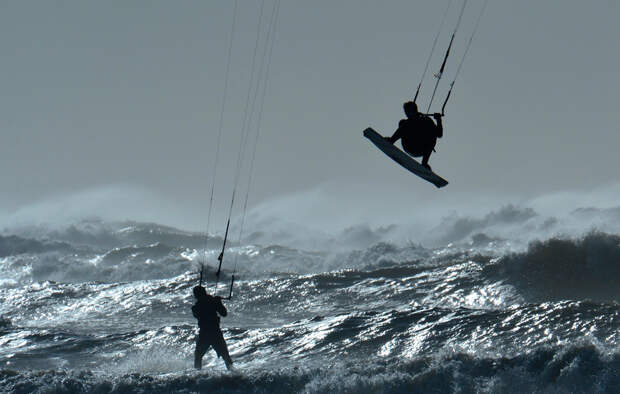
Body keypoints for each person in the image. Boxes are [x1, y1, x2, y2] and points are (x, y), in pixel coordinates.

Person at [385, 101, 443, 171]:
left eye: (407, 111)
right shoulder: (407, 122)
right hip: (409, 146)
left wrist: (438, 120)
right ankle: (391, 140)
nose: (406, 114)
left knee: (432, 136)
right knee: (403, 122)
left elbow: (439, 134)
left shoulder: (427, 120)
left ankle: (424, 163)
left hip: (421, 149)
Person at [191, 285, 233, 370]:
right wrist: (216, 302)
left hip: (211, 333)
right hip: (209, 333)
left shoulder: (206, 304)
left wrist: (218, 303)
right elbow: (223, 313)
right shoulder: (197, 307)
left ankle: (233, 374)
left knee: (225, 356)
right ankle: (197, 374)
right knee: (198, 356)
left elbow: (224, 313)